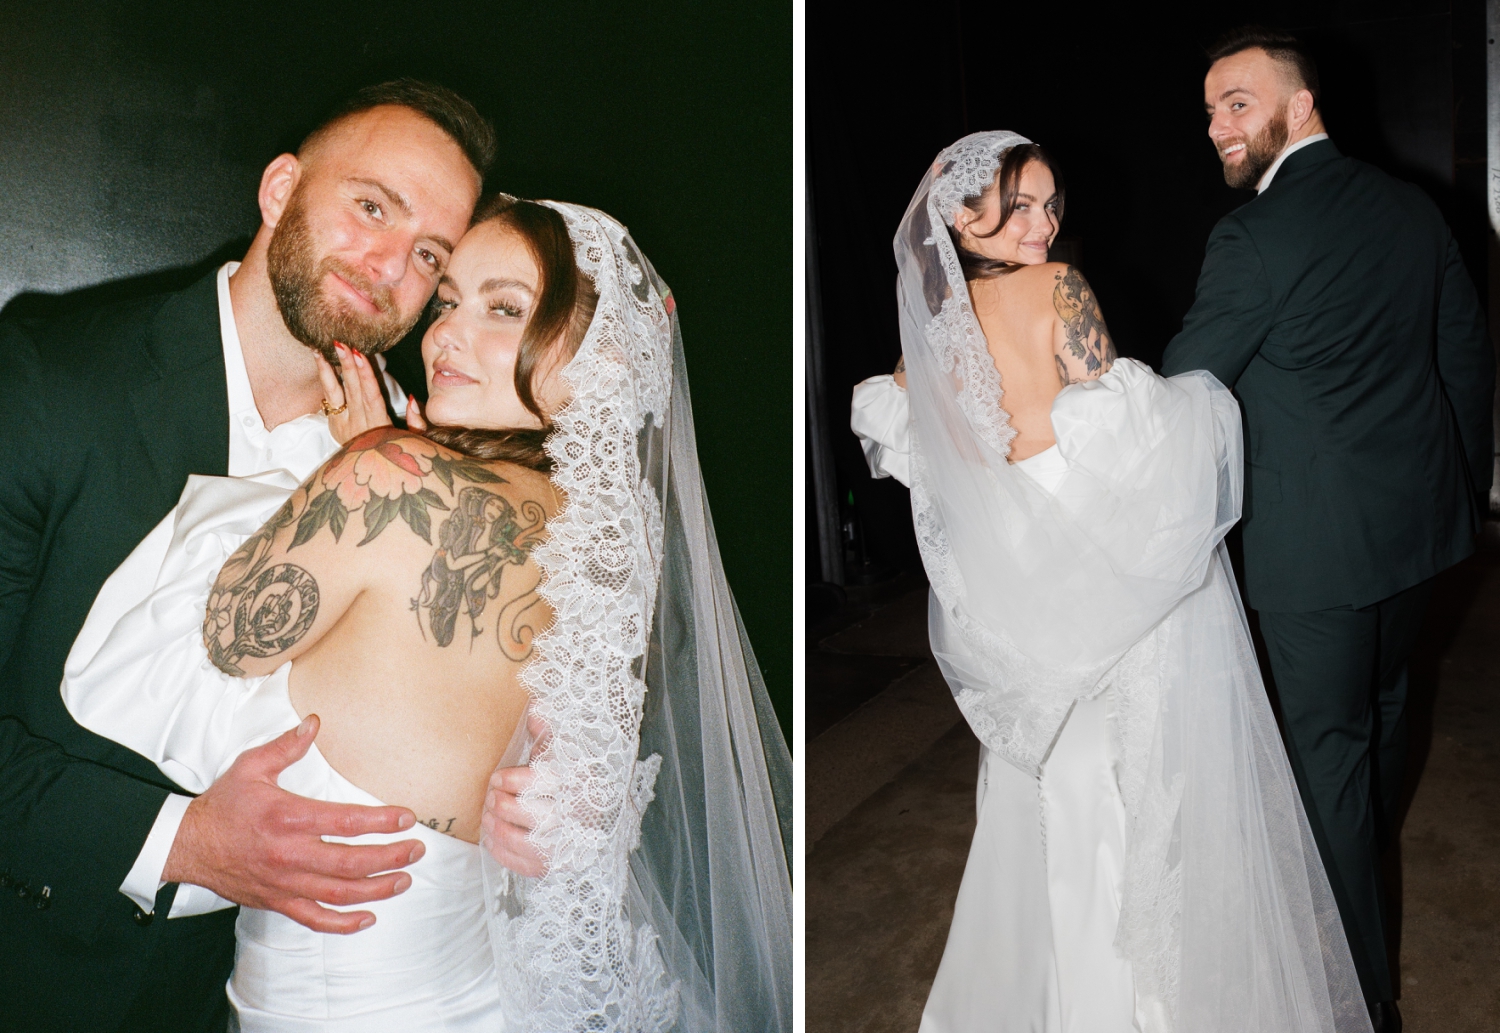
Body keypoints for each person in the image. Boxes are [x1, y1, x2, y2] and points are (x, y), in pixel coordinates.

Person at [62, 196, 793, 1030]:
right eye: (446, 301)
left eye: (505, 309)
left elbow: (223, 639)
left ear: (607, 359)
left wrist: (339, 464)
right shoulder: (611, 548)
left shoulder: (393, 473)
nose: (445, 335)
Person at [851, 131, 1373, 1032]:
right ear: (959, 213)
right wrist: (1199, 407)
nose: (1042, 223)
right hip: (1097, 575)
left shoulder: (923, 342)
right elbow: (1129, 441)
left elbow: (942, 473)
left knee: (1044, 787)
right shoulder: (1060, 290)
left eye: (1052, 204)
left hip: (1015, 600)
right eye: (1017, 204)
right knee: (1133, 793)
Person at [0, 79, 489, 1031]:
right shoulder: (46, 379)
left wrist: (496, 799)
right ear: (280, 190)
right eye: (372, 206)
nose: (391, 261)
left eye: (429, 252)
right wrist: (175, 839)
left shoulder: (424, 468)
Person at [1159, 28, 1494, 1033]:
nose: (1218, 123)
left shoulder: (1252, 240)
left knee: (1330, 758)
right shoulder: (1413, 208)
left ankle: (1361, 994)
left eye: (1239, 101)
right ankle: (1355, 872)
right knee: (1386, 717)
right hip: (1420, 535)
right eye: (1212, 107)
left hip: (1315, 556)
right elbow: (1468, 362)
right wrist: (1458, 498)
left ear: (1301, 107)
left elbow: (1182, 386)